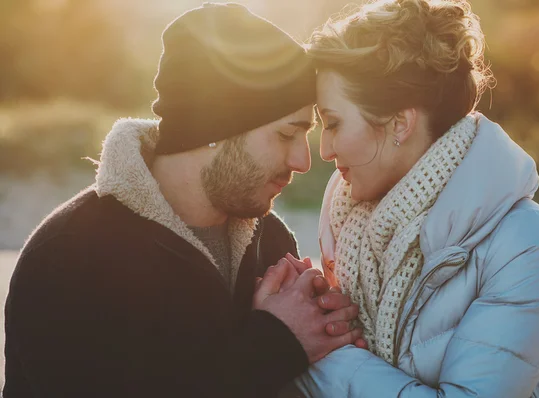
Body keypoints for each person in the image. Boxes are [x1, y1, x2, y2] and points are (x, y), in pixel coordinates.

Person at [3, 4, 365, 398]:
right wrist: (275, 343)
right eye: (285, 134)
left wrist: (331, 335)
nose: (303, 161)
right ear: (214, 126)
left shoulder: (271, 241)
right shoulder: (68, 256)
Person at [293, 0, 539, 396]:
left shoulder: (525, 244)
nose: (324, 150)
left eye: (335, 123)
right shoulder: (348, 219)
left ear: (399, 123)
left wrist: (315, 353)